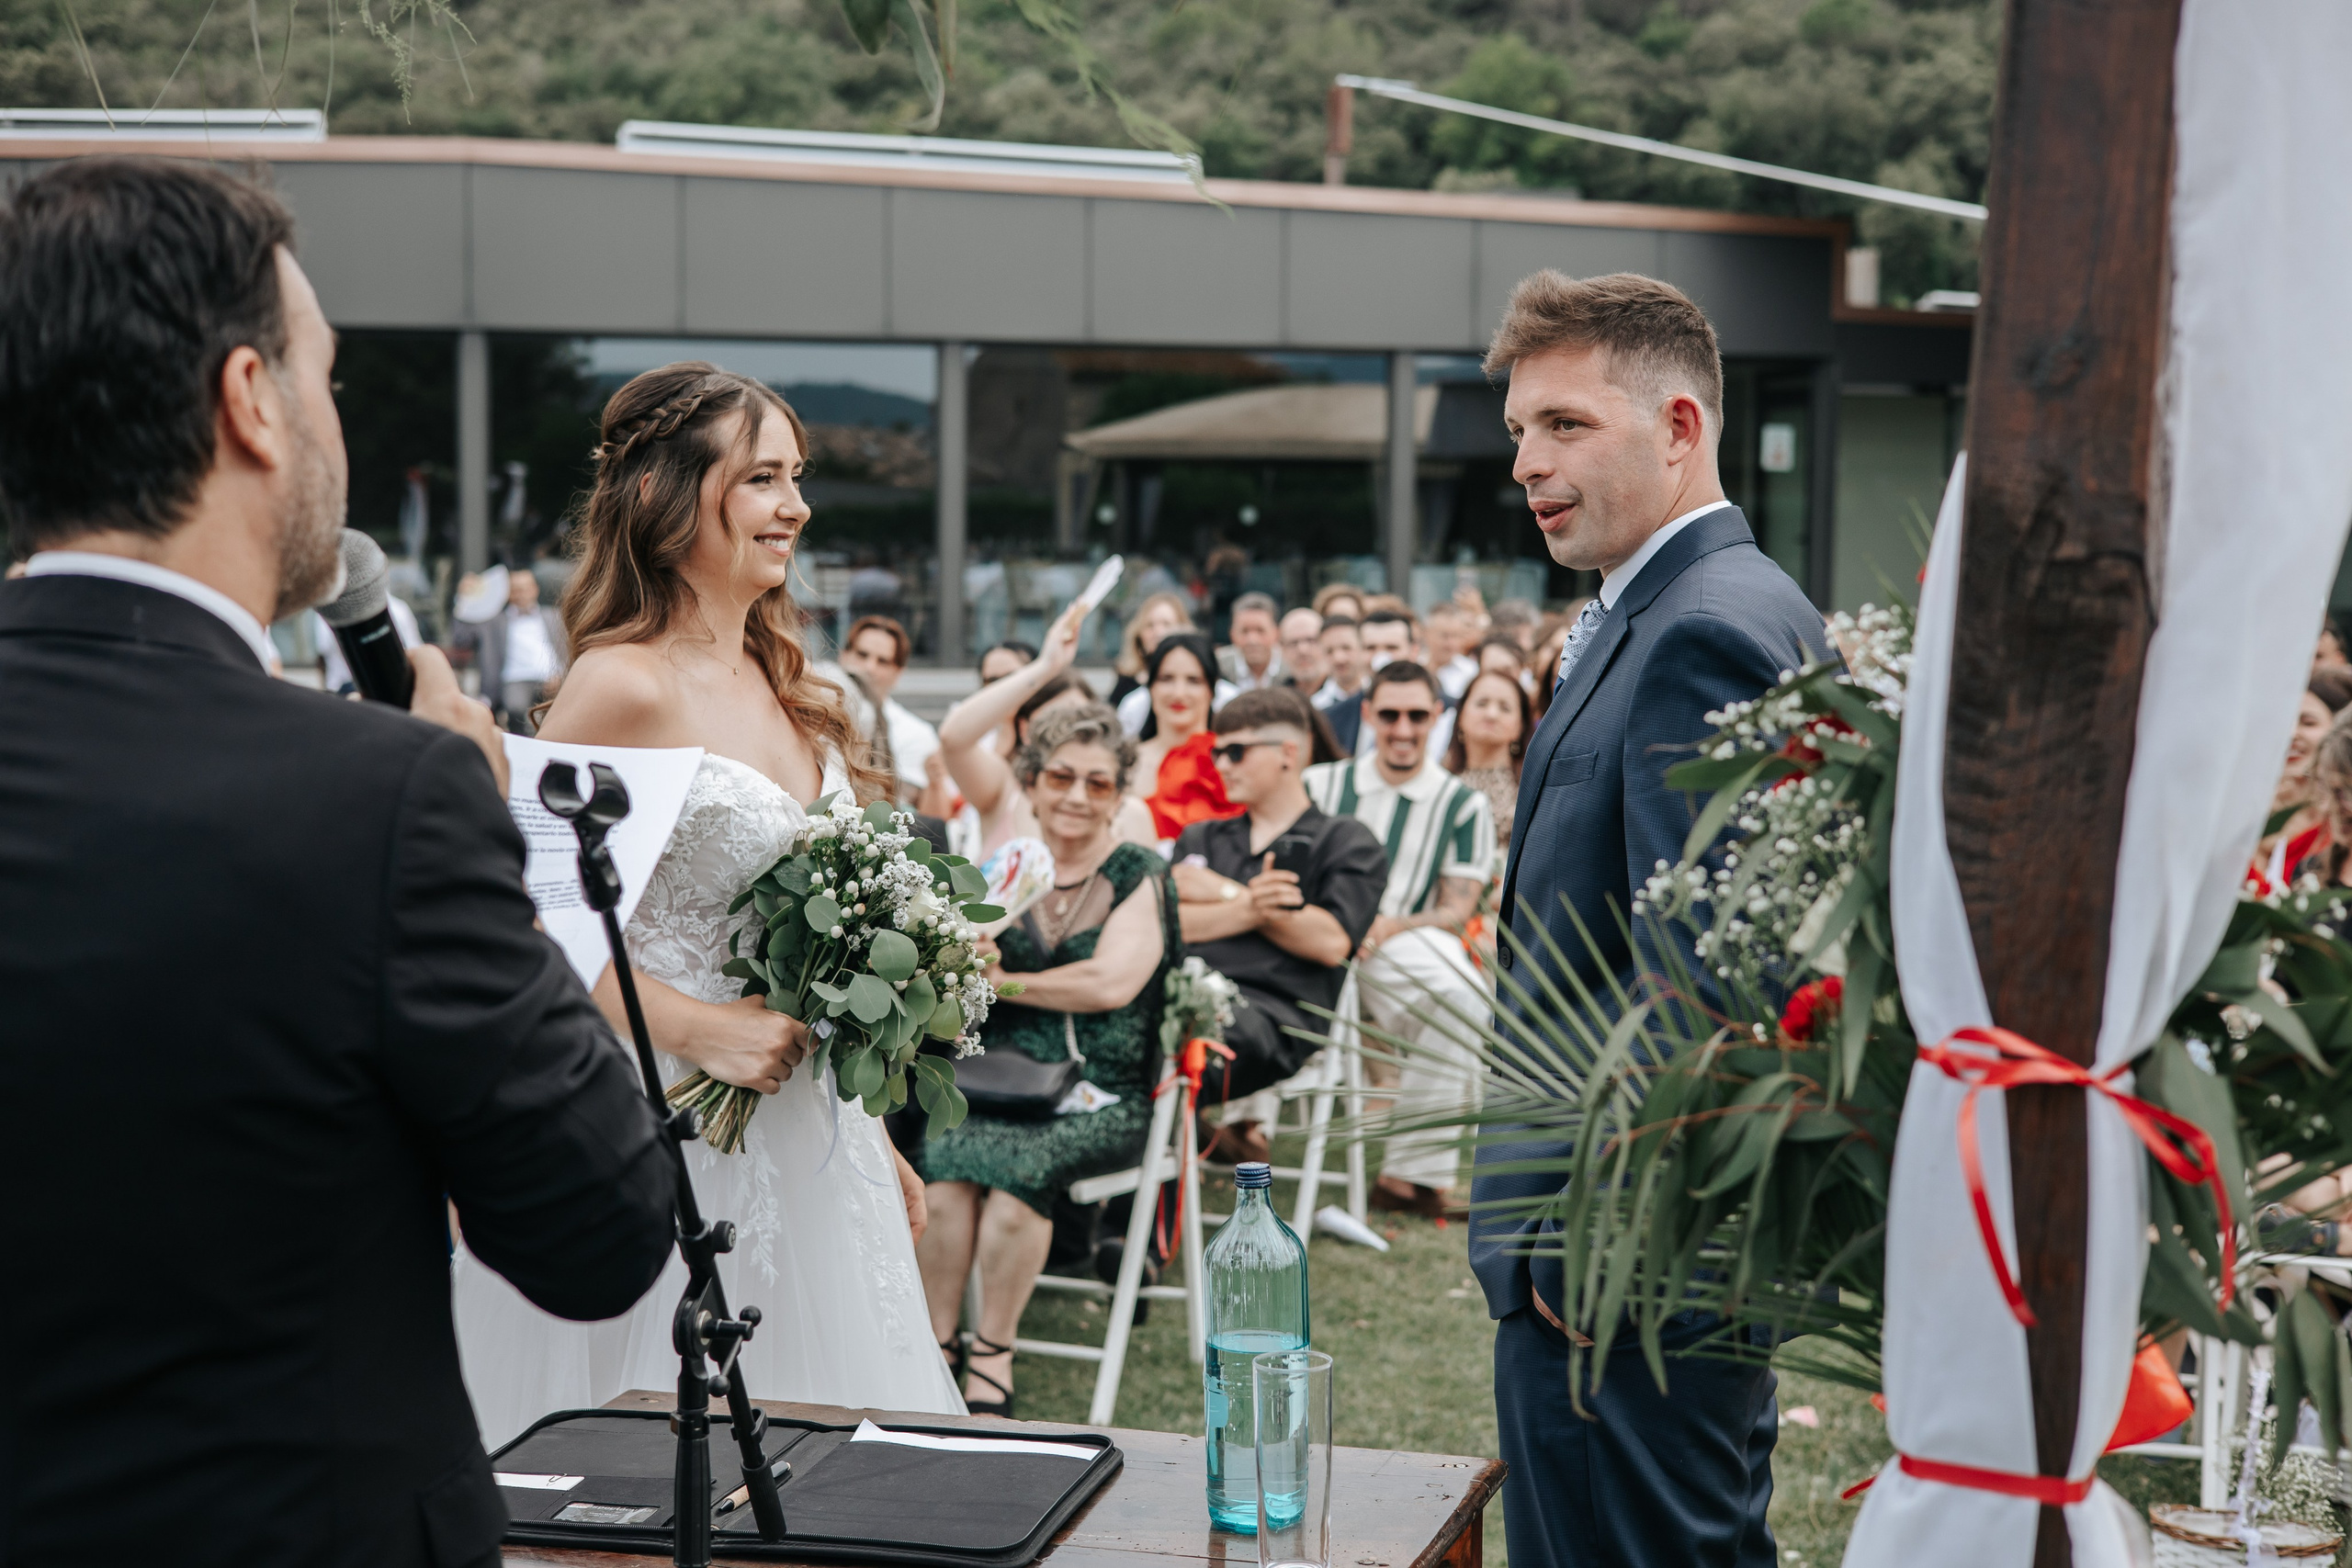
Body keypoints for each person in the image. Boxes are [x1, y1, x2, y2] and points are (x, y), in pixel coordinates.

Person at [0, 157, 675, 1568]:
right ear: (251, 400)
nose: (334, 427)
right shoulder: (386, 799)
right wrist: (475, 827)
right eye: (329, 380)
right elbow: (601, 1228)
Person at [449, 361, 966, 1447]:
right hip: (665, 1125)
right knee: (660, 1462)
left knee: (840, 1461)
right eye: (763, 480)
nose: (797, 507)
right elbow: (528, 924)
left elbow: (809, 960)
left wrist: (871, 1134)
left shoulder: (792, 687)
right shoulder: (623, 683)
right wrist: (702, 1030)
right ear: (663, 496)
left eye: (797, 477)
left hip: (806, 1130)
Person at [1470, 271, 1828, 1568]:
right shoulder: (1689, 602)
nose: (1526, 460)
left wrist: (1602, 1239)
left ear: (1680, 427)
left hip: (1625, 1267)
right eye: (1518, 429)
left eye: (1565, 424)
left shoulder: (1707, 629)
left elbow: (1712, 984)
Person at [916, 704, 1179, 1416]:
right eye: (1061, 776)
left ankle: (994, 1352)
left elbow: (1110, 983)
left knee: (1016, 1183)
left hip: (1106, 1087)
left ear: (1119, 795)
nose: (1077, 795)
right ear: (1031, 783)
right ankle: (937, 1344)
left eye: (1098, 783)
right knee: (940, 1175)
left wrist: (1007, 981)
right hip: (1002, 1079)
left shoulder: (1139, 873)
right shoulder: (1006, 873)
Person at [1301, 661, 1496, 1213]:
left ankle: (1411, 1176)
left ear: (1438, 717)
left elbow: (1456, 909)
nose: (1403, 729)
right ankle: (1247, 1130)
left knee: (1460, 992)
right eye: (1389, 715)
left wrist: (1385, 926)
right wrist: (1332, 924)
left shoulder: (1462, 804)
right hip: (1314, 935)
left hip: (1398, 936)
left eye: (1417, 715)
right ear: (1367, 714)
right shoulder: (1322, 784)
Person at [1173, 688, 1387, 1161]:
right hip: (1181, 994)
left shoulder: (1346, 841)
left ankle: (1136, 1221)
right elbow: (1169, 923)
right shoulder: (1202, 836)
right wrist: (1256, 906)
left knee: (1154, 1064)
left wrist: (1224, 892)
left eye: (1236, 751)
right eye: (1216, 752)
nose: (1221, 765)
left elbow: (1331, 941)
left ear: (1287, 753)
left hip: (1274, 1019)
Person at [936, 602, 1157, 856]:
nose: (1072, 732)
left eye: (1083, 720)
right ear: (1025, 728)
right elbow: (953, 739)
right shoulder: (1001, 790)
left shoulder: (1130, 813)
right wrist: (1046, 665)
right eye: (1056, 720)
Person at [1134, 631, 1242, 841]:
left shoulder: (1234, 761)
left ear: (1211, 690)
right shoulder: (1126, 763)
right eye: (1166, 679)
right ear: (1151, 687)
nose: (1179, 693)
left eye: (1193, 680)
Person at [839, 613, 950, 815]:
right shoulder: (813, 715)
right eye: (862, 655)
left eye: (883, 661)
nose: (869, 668)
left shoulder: (917, 734)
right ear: (844, 655)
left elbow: (934, 820)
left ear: (898, 672)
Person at [453, 562, 569, 733]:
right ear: (507, 593)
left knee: (563, 707)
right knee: (515, 707)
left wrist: (561, 674)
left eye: (525, 589)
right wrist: (464, 599)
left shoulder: (553, 616)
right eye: (515, 590)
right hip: (514, 678)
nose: (521, 594)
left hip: (551, 676)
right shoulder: (494, 621)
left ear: (535, 589)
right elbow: (462, 640)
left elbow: (568, 649)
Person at [2250, 681, 2339, 892]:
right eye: (2281, 722)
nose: (2291, 734)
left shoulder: (2340, 830)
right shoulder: (2235, 817)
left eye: (2308, 723)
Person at [1446, 666, 1534, 851]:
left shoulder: (1532, 790)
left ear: (1521, 724)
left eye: (1505, 708)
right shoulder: (1440, 781)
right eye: (1482, 703)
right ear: (1461, 714)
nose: (1491, 715)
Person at [1109, 590, 1193, 708]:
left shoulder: (1198, 680)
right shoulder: (1126, 685)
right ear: (1139, 636)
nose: (1158, 632)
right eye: (1150, 625)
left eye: (1166, 624)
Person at [1216, 590, 1285, 691]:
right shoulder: (1218, 668)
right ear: (1232, 634)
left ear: (1276, 633)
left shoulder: (1292, 669)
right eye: (1245, 631)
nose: (1252, 640)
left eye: (1260, 630)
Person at [1424, 600, 1480, 700]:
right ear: (1427, 634)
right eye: (1445, 636)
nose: (1451, 644)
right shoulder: (1413, 666)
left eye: (1456, 636)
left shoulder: (1472, 672)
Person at [1278, 604, 1327, 694]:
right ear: (1282, 649)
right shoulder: (1276, 696)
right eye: (1293, 643)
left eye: (1311, 640)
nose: (1302, 650)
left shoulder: (1344, 694)